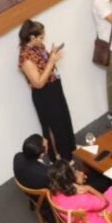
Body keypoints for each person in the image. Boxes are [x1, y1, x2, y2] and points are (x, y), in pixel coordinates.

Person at [18, 19, 76, 162]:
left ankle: (68, 152)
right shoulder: (25, 58)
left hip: (54, 87)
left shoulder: (38, 47)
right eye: (41, 37)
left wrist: (51, 55)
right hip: (44, 95)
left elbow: (44, 66)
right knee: (53, 127)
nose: (42, 40)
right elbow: (38, 83)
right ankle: (59, 158)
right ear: (32, 37)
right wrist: (51, 62)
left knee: (63, 120)